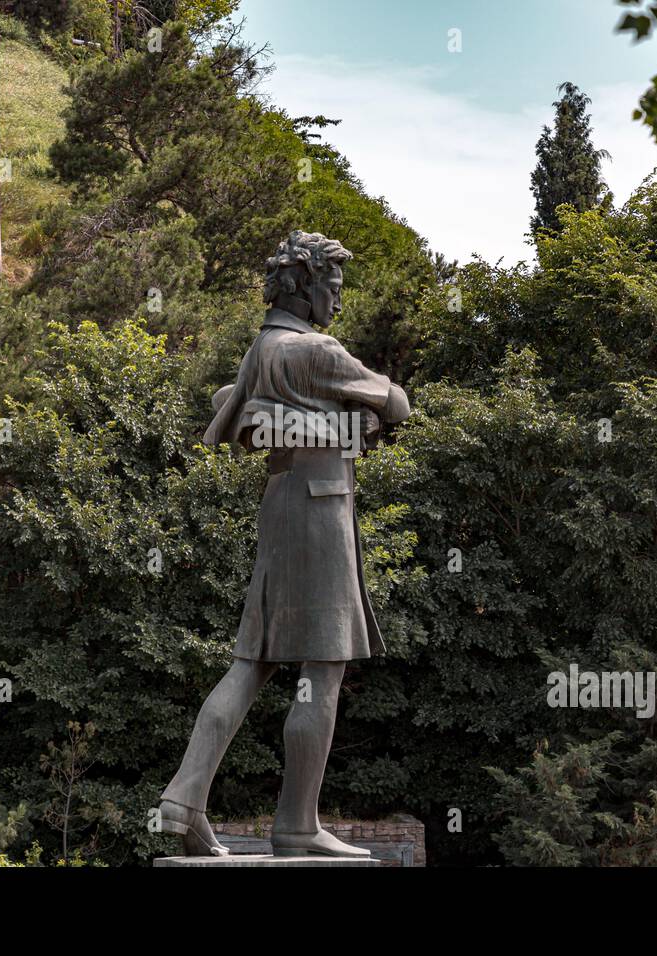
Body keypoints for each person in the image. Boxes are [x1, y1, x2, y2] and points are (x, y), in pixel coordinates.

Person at [158, 231, 411, 858]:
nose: (337, 299)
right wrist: (355, 421)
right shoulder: (316, 351)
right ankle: (298, 823)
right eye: (332, 285)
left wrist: (308, 420)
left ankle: (182, 800)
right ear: (304, 285)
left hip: (280, 506)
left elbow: (235, 413)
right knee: (321, 671)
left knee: (252, 662)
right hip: (322, 512)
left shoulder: (260, 350)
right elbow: (398, 403)